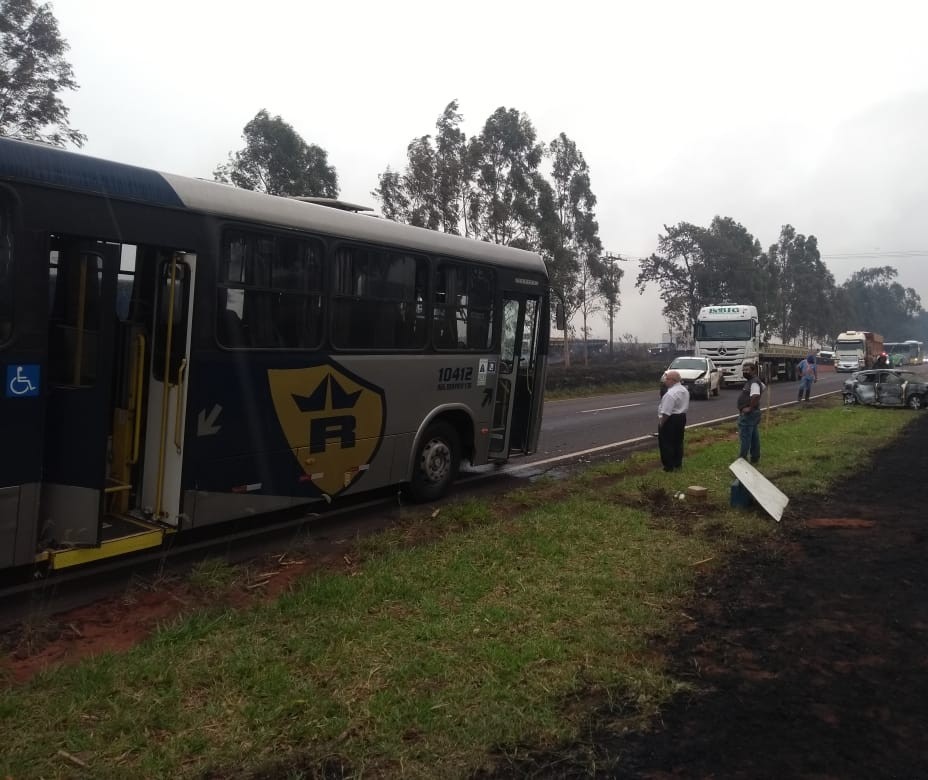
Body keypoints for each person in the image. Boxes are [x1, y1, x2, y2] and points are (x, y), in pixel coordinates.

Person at [657, 370, 689, 472]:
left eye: (667, 379)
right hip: (681, 417)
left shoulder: (670, 394)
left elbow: (666, 412)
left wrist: (662, 423)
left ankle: (668, 466)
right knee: (678, 441)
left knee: (667, 443)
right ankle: (677, 463)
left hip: (671, 419)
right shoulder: (684, 390)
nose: (665, 381)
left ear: (673, 380)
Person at [737, 363, 764, 465]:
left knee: (745, 437)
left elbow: (756, 395)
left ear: (753, 370)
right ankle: (755, 457)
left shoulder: (753, 383)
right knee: (753, 436)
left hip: (749, 414)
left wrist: (750, 408)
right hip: (754, 414)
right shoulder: (754, 381)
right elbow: (763, 388)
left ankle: (742, 460)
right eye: (744, 370)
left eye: (747, 370)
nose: (745, 372)